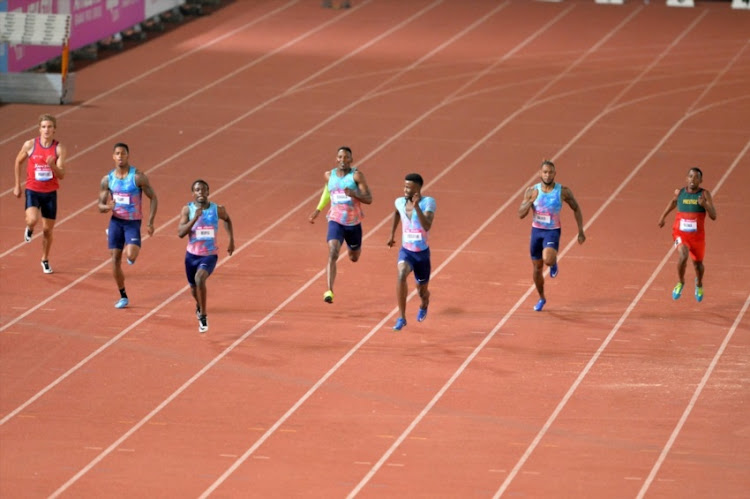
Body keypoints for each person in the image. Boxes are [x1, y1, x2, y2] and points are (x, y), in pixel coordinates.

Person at [518, 159, 585, 312]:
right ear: (540, 173)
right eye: (545, 172)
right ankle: (542, 298)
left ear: (555, 174)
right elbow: (521, 214)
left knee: (548, 259)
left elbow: (576, 208)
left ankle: (553, 262)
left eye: (550, 172)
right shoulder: (531, 190)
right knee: (536, 270)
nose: (547, 175)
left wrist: (580, 231)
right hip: (536, 232)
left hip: (552, 231)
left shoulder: (563, 191)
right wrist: (529, 201)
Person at [308, 146, 372, 304]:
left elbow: (369, 198)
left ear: (351, 159)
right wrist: (318, 210)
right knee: (332, 252)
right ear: (336, 159)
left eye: (346, 157)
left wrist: (354, 193)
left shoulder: (356, 176)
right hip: (335, 220)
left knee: (354, 257)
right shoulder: (329, 175)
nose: (343, 160)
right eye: (340, 157)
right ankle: (329, 290)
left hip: (353, 223)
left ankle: (353, 249)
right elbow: (327, 192)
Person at [97, 143, 158, 309]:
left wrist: (150, 222)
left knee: (130, 256)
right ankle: (123, 295)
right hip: (116, 221)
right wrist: (107, 207)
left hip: (132, 222)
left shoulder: (137, 177)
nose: (120, 156)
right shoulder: (108, 180)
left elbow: (153, 198)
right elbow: (100, 206)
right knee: (115, 260)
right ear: (113, 157)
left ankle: (130, 249)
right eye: (117, 153)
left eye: (123, 153)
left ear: (128, 156)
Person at [177, 179, 235, 333]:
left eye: (203, 189)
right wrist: (194, 218)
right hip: (191, 256)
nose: (201, 192)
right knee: (193, 288)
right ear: (193, 193)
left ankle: (203, 315)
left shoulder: (217, 210)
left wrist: (231, 240)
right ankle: (199, 305)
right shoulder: (187, 210)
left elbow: (228, 219)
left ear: (208, 192)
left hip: (209, 255)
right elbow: (181, 233)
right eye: (197, 190)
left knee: (199, 278)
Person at [13, 114, 68, 274]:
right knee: (32, 219)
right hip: (33, 190)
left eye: (50, 127)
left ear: (54, 129)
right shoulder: (30, 145)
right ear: (39, 129)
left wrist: (52, 165)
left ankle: (44, 259)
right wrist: (17, 185)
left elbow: (62, 174)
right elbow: (18, 161)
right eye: (44, 127)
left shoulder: (59, 148)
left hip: (50, 193)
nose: (46, 130)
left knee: (47, 231)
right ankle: (29, 228)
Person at [658, 167, 717, 302]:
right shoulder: (680, 193)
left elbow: (714, 216)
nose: (693, 179)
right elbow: (673, 202)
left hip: (697, 237)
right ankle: (680, 282)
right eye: (690, 176)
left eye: (696, 177)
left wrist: (705, 205)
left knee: (698, 265)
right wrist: (663, 217)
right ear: (686, 178)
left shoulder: (704, 194)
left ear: (701, 180)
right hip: (680, 234)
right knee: (683, 255)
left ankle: (699, 284)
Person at [387, 173, 436, 331]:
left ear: (418, 188)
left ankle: (424, 303)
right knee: (401, 275)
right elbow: (396, 212)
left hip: (421, 254)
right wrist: (392, 234)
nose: (405, 190)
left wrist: (416, 207)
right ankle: (402, 317)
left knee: (422, 291)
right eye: (404, 186)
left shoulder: (428, 202)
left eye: (409, 187)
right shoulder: (399, 202)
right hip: (406, 251)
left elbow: (427, 225)